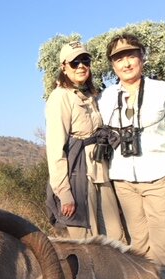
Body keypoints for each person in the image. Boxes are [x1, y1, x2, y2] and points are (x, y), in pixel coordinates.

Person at [98, 33, 165, 279]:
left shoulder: (161, 90)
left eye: (130, 55)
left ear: (141, 57)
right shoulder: (106, 97)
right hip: (124, 181)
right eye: (118, 58)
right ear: (112, 65)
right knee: (139, 248)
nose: (126, 63)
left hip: (161, 178)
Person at [45, 40, 124, 240]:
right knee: (85, 241)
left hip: (100, 170)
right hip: (78, 173)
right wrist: (64, 192)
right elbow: (55, 149)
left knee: (114, 235)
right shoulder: (59, 97)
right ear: (63, 67)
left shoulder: (91, 95)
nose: (81, 66)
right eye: (75, 62)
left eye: (85, 60)